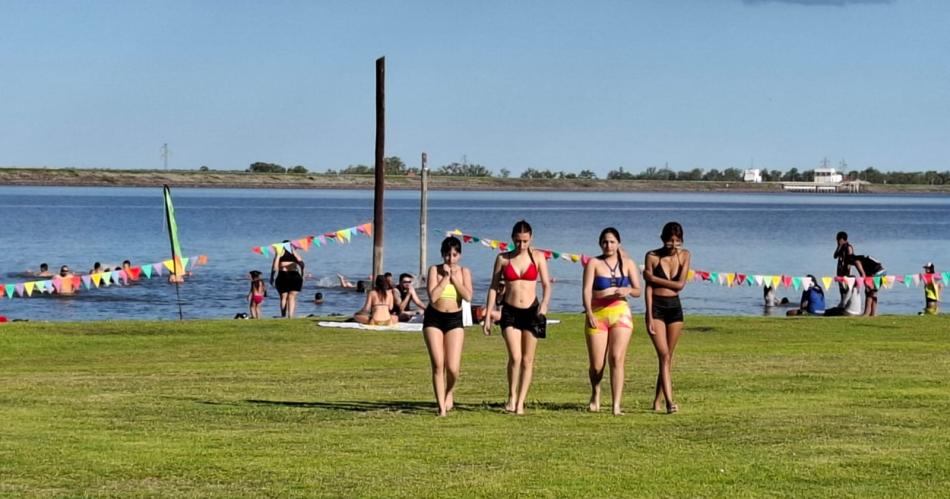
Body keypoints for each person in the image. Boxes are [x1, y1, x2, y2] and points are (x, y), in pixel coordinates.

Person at [483, 220, 552, 415]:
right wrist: (488, 315)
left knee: (528, 359)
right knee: (515, 356)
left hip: (532, 311)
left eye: (525, 241)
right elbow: (493, 287)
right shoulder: (503, 259)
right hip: (510, 311)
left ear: (531, 239)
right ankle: (511, 396)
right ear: (512, 239)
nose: (521, 245)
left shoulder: (538, 257)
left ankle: (521, 401)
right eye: (518, 241)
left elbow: (546, 284)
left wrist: (545, 305)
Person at [582, 228, 641, 415]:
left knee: (616, 358)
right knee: (597, 365)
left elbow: (638, 290)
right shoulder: (594, 263)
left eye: (612, 242)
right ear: (600, 243)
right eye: (605, 242)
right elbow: (586, 291)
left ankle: (616, 404)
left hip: (620, 313)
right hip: (598, 313)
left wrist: (629, 290)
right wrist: (589, 312)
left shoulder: (628, 264)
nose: (609, 245)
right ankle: (596, 393)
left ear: (619, 244)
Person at [643, 222, 691, 414]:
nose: (673, 245)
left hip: (675, 309)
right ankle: (670, 402)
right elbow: (648, 288)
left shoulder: (686, 255)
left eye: (677, 241)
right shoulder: (652, 256)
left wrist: (653, 278)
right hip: (657, 308)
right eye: (670, 241)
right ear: (663, 239)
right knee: (663, 355)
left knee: (668, 358)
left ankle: (657, 400)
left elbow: (680, 285)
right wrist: (648, 314)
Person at [422, 236, 474, 416]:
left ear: (459, 255)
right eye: (446, 255)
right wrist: (445, 278)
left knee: (453, 367)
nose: (450, 259)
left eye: (453, 255)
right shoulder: (434, 270)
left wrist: (455, 278)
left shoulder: (464, 271)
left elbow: (468, 296)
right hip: (434, 318)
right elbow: (433, 296)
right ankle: (441, 408)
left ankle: (449, 391)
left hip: (454, 320)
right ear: (442, 255)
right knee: (438, 364)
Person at [270, 242, 305, 318]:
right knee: (292, 297)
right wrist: (302, 275)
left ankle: (283, 315)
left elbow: (274, 267)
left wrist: (272, 278)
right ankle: (290, 316)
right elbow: (302, 264)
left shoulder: (279, 254)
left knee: (283, 297)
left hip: (283, 276)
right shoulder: (294, 254)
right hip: (295, 276)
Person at [846, 252, 885, 317]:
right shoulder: (864, 260)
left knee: (868, 292)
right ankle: (873, 313)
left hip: (877, 273)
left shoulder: (856, 262)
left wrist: (866, 285)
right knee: (873, 293)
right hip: (883, 272)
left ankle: (866, 313)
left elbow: (863, 275)